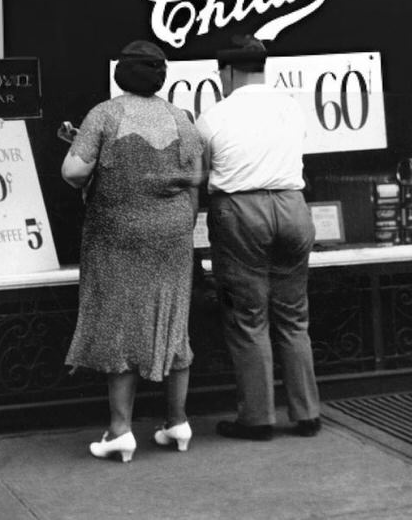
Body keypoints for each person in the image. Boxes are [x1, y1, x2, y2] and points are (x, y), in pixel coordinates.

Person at [62, 39, 205, 462]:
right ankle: (177, 423)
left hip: (117, 233)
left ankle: (120, 430)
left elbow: (74, 171)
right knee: (173, 321)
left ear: (120, 74)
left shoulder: (104, 114)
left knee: (120, 323)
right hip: (174, 234)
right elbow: (195, 174)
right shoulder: (182, 117)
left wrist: (84, 150)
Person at [196, 33, 321, 442]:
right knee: (293, 316)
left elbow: (204, 173)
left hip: (241, 210)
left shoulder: (214, 116)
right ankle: (307, 414)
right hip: (292, 204)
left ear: (228, 72)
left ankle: (258, 418)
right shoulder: (290, 106)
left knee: (249, 318)